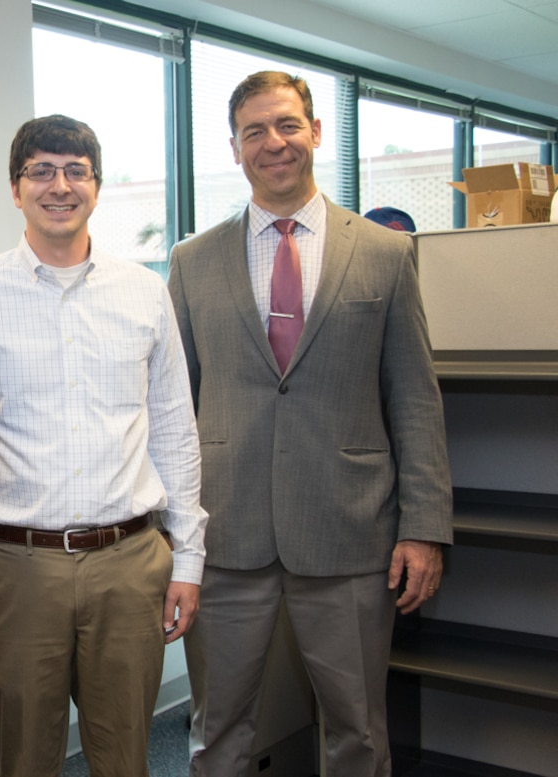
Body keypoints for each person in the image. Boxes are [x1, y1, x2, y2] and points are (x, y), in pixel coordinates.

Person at [167, 71, 453, 776]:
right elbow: (172, 406)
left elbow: (413, 397)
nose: (274, 142)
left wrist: (424, 525)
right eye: (255, 131)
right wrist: (173, 535)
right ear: (234, 148)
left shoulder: (384, 254)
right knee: (218, 729)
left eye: (287, 124)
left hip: (351, 528)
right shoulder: (192, 260)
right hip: (225, 532)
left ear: (316, 132)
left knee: (356, 730)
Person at [0, 114, 209, 777]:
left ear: (96, 185)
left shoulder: (144, 292)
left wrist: (189, 558)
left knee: (125, 755)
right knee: (19, 755)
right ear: (14, 188)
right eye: (41, 170)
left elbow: (175, 427)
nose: (59, 185)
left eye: (75, 170)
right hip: (14, 565)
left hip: (129, 561)